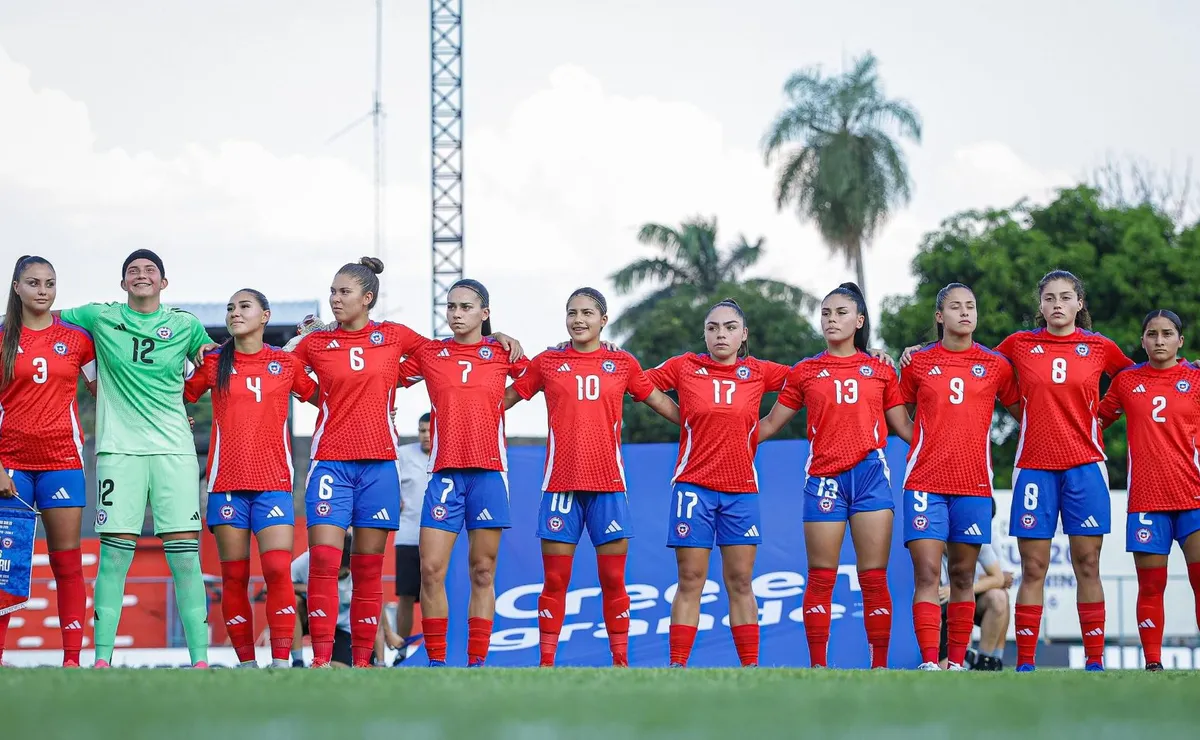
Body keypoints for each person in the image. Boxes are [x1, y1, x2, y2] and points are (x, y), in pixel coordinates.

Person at [288, 260, 522, 669]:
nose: (455, 313)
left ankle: (384, 663)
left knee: (465, 570)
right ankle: (325, 662)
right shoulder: (331, 343)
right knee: (337, 563)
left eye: (344, 292)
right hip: (344, 464)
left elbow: (525, 374)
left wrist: (495, 348)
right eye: (451, 307)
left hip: (415, 467)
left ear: (367, 298)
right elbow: (285, 370)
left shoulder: (409, 339)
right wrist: (316, 355)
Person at [906, 270, 1132, 672]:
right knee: (1033, 567)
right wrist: (916, 350)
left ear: (1080, 303)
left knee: (1088, 564)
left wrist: (1102, 418)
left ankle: (1095, 662)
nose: (1057, 304)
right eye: (1049, 298)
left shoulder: (1099, 347)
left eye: (1066, 297)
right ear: (1040, 305)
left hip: (1086, 468)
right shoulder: (1018, 345)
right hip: (1034, 468)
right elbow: (964, 358)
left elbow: (1137, 381)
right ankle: (1025, 663)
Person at [55, 249, 218, 669]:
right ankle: (102, 660)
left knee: (184, 555)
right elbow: (43, 317)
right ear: (122, 282)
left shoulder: (185, 325)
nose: (141, 276)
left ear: (164, 283)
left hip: (174, 451)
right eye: (133, 271)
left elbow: (218, 361)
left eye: (150, 271)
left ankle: (200, 661)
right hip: (118, 451)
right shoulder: (98, 316)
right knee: (114, 554)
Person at [503, 287, 680, 667]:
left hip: (608, 488)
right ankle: (546, 665)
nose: (578, 320)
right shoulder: (548, 362)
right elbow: (505, 399)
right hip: (560, 487)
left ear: (603, 320)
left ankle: (620, 662)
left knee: (613, 581)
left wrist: (706, 427)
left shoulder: (623, 363)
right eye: (571, 312)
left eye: (587, 313)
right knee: (555, 581)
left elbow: (660, 402)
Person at [758, 282, 913, 669]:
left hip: (871, 478)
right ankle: (817, 668)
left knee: (873, 577)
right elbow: (770, 423)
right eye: (826, 313)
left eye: (841, 313)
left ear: (859, 321)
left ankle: (879, 667)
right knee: (821, 577)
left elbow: (906, 428)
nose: (831, 319)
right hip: (824, 480)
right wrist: (722, 436)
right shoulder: (806, 371)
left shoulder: (880, 368)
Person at [641, 298, 792, 668]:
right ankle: (678, 666)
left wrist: (872, 356)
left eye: (728, 328)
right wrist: (678, 415)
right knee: (691, 578)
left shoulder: (758, 371)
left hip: (741, 490)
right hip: (693, 487)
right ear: (704, 334)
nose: (720, 334)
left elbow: (810, 378)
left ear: (744, 335)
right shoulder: (685, 366)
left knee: (740, 580)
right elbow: (637, 382)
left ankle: (750, 669)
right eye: (712, 328)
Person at [184, 289, 318, 669]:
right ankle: (245, 662)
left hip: (273, 483)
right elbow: (179, 396)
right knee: (235, 576)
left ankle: (281, 660)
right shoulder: (213, 362)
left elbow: (323, 396)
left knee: (277, 571)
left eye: (244, 306)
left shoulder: (285, 362)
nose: (235, 312)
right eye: (230, 308)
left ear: (265, 316)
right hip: (226, 483)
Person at [406, 278, 528, 667]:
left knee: (482, 570)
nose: (456, 314)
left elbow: (542, 376)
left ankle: (477, 662)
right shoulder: (432, 353)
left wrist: (498, 403)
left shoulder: (502, 351)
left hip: (489, 474)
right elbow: (385, 375)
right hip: (444, 475)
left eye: (466, 307)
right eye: (451, 307)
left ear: (484, 313)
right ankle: (437, 661)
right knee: (430, 569)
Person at [897, 283, 1020, 671]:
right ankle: (931, 662)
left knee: (964, 575)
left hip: (973, 484)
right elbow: (895, 408)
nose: (965, 312)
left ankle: (955, 663)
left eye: (970, 306)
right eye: (955, 307)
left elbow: (1024, 410)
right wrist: (919, 438)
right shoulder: (917, 362)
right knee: (929, 573)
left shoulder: (995, 364)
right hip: (924, 482)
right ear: (940, 316)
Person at [0, 256, 96, 667]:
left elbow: (105, 391)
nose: (43, 290)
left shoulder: (77, 339)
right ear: (17, 287)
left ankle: (72, 659)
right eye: (34, 282)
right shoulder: (2, 337)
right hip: (11, 465)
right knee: (7, 563)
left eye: (50, 283)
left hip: (62, 461)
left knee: (66, 561)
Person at [1098, 310, 1200, 672]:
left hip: (1193, 498)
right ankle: (1153, 663)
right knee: (1151, 587)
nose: (1160, 341)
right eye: (1152, 334)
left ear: (1180, 341)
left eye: (1167, 334)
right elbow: (1096, 420)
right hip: (1147, 500)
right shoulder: (1126, 381)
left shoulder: (1196, 379)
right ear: (1142, 340)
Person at [386, 412, 432, 665]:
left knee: (435, 592)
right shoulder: (403, 455)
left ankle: (435, 645)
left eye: (430, 430)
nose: (426, 435)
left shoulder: (448, 454)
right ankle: (402, 650)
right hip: (408, 536)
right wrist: (393, 499)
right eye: (422, 430)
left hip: (442, 538)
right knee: (405, 596)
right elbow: (386, 481)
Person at [935, 523, 1013, 671]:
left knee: (1000, 597)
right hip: (941, 607)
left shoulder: (977, 537)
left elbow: (1001, 578)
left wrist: (957, 590)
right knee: (945, 668)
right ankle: (961, 655)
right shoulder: (930, 543)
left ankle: (986, 659)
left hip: (965, 599)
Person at [292, 533, 356, 667]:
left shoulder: (359, 571)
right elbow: (268, 587)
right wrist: (310, 588)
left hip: (340, 627)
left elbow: (376, 608)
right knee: (292, 600)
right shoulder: (308, 560)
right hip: (310, 618)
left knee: (338, 669)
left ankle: (321, 662)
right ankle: (297, 663)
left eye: (341, 575)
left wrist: (381, 658)